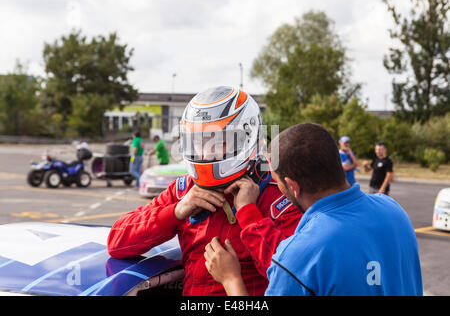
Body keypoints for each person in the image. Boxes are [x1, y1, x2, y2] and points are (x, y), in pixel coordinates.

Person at [107, 86, 303, 296]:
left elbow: (296, 279)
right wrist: (175, 212)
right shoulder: (184, 190)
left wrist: (249, 214)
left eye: (218, 141)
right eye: (198, 142)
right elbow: (117, 243)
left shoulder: (281, 196)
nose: (204, 152)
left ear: (248, 135)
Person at [204, 123, 422, 296]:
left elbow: (296, 264)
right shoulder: (394, 210)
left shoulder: (298, 255)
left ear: (292, 186)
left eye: (276, 179)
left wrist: (230, 279)